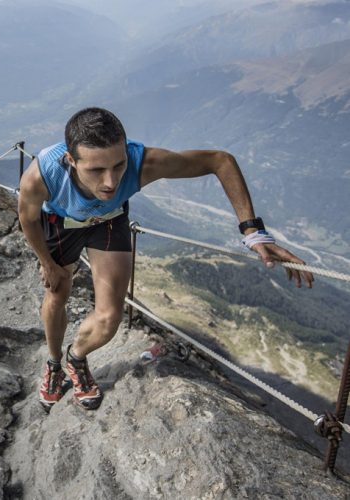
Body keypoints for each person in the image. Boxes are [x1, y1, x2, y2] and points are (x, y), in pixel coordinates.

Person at [17, 107, 314, 413]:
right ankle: (53, 365)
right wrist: (47, 263)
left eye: (118, 166)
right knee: (57, 293)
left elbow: (220, 161)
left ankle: (75, 359)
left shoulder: (143, 162)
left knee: (109, 320)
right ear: (71, 160)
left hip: (110, 222)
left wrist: (252, 231)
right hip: (62, 221)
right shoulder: (43, 175)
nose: (110, 181)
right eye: (95, 170)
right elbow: (27, 218)